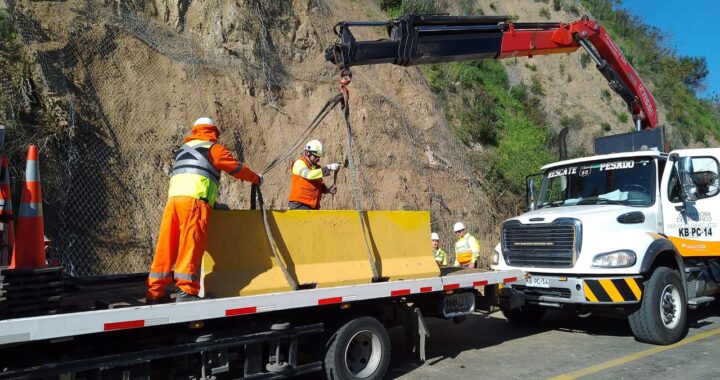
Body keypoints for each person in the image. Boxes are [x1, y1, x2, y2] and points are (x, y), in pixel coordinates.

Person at [147, 117, 261, 303]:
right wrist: (256, 178)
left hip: (174, 201)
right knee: (191, 244)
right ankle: (186, 291)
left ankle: (155, 291)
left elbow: (195, 176)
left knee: (167, 244)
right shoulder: (214, 149)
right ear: (213, 131)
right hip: (194, 204)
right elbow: (236, 168)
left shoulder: (182, 151)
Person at [288, 139, 341, 210]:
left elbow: (317, 186)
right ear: (308, 153)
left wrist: (327, 190)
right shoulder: (299, 163)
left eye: (319, 157)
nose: (318, 159)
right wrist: (329, 168)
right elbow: (309, 175)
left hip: (312, 207)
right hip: (299, 205)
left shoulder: (316, 168)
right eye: (316, 156)